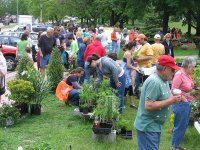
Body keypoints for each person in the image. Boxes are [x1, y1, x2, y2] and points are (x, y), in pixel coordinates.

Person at [134, 55, 181, 150]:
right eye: (172, 70)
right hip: (148, 126)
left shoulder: (164, 80)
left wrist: (174, 98)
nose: (174, 72)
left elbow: (163, 97)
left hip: (155, 126)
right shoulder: (154, 82)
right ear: (165, 69)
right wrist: (170, 101)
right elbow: (149, 105)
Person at [171, 57, 196, 150]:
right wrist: (183, 98)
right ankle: (174, 147)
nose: (193, 68)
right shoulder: (179, 75)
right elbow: (173, 90)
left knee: (183, 125)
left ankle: (177, 145)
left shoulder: (187, 74)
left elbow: (189, 87)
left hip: (187, 103)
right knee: (179, 126)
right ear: (188, 66)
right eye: (193, 67)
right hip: (181, 104)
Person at [121, 42, 140, 108]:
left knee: (129, 86)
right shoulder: (128, 53)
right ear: (132, 47)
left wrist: (136, 64)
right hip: (125, 72)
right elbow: (128, 65)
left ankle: (131, 103)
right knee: (127, 87)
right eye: (134, 47)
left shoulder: (129, 52)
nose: (135, 48)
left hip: (127, 72)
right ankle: (122, 103)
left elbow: (130, 63)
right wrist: (135, 68)